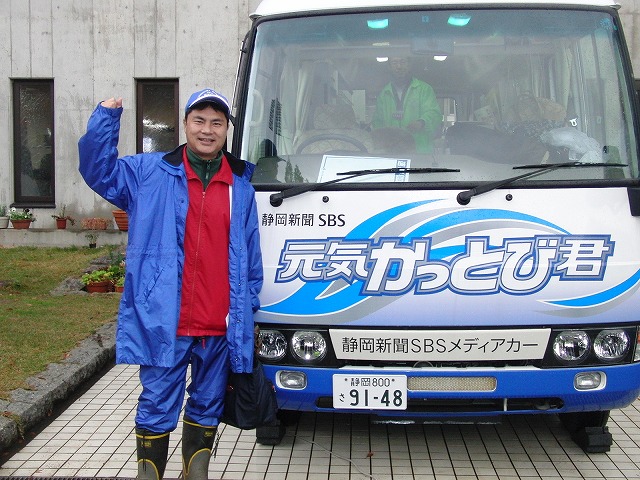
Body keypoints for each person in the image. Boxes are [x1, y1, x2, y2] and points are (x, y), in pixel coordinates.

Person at [78, 89, 263, 480]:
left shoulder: (240, 187)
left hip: (219, 324)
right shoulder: (148, 173)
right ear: (185, 125)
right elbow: (98, 170)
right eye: (199, 121)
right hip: (166, 320)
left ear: (227, 129)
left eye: (216, 122)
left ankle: (195, 474)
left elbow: (250, 258)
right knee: (158, 403)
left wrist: (248, 312)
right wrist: (106, 120)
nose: (207, 130)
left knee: (208, 403)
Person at [371, 56, 442, 153]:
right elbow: (377, 123)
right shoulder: (384, 94)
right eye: (394, 63)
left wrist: (421, 122)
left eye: (403, 61)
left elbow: (435, 114)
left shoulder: (424, 89)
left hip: (420, 152)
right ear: (389, 67)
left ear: (409, 65)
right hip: (391, 153)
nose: (399, 66)